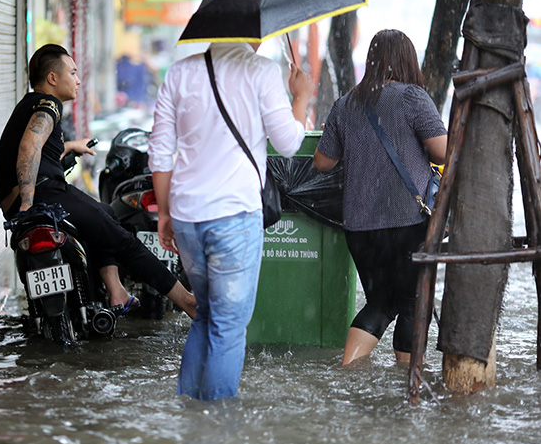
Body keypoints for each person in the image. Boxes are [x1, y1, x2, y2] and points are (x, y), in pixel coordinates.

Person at [149, 41, 314, 400]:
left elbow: (160, 151)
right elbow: (287, 143)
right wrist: (300, 97)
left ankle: (190, 417)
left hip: (188, 216)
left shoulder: (179, 72)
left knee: (206, 316)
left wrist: (164, 213)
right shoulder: (262, 71)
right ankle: (218, 428)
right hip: (234, 219)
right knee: (228, 327)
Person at [0, 44, 196, 318]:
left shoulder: (30, 103)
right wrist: (28, 203)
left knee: (105, 212)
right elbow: (29, 146)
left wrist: (68, 146)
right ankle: (187, 301)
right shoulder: (49, 104)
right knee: (124, 240)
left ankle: (116, 291)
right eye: (73, 73)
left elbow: (37, 146)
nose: (78, 80)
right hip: (42, 195)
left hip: (21, 196)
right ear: (53, 78)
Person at [313, 29, 447, 365]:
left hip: (359, 227)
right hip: (407, 221)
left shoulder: (345, 104)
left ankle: (349, 368)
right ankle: (408, 378)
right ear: (406, 59)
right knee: (415, 301)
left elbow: (322, 162)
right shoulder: (411, 97)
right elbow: (443, 152)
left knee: (381, 302)